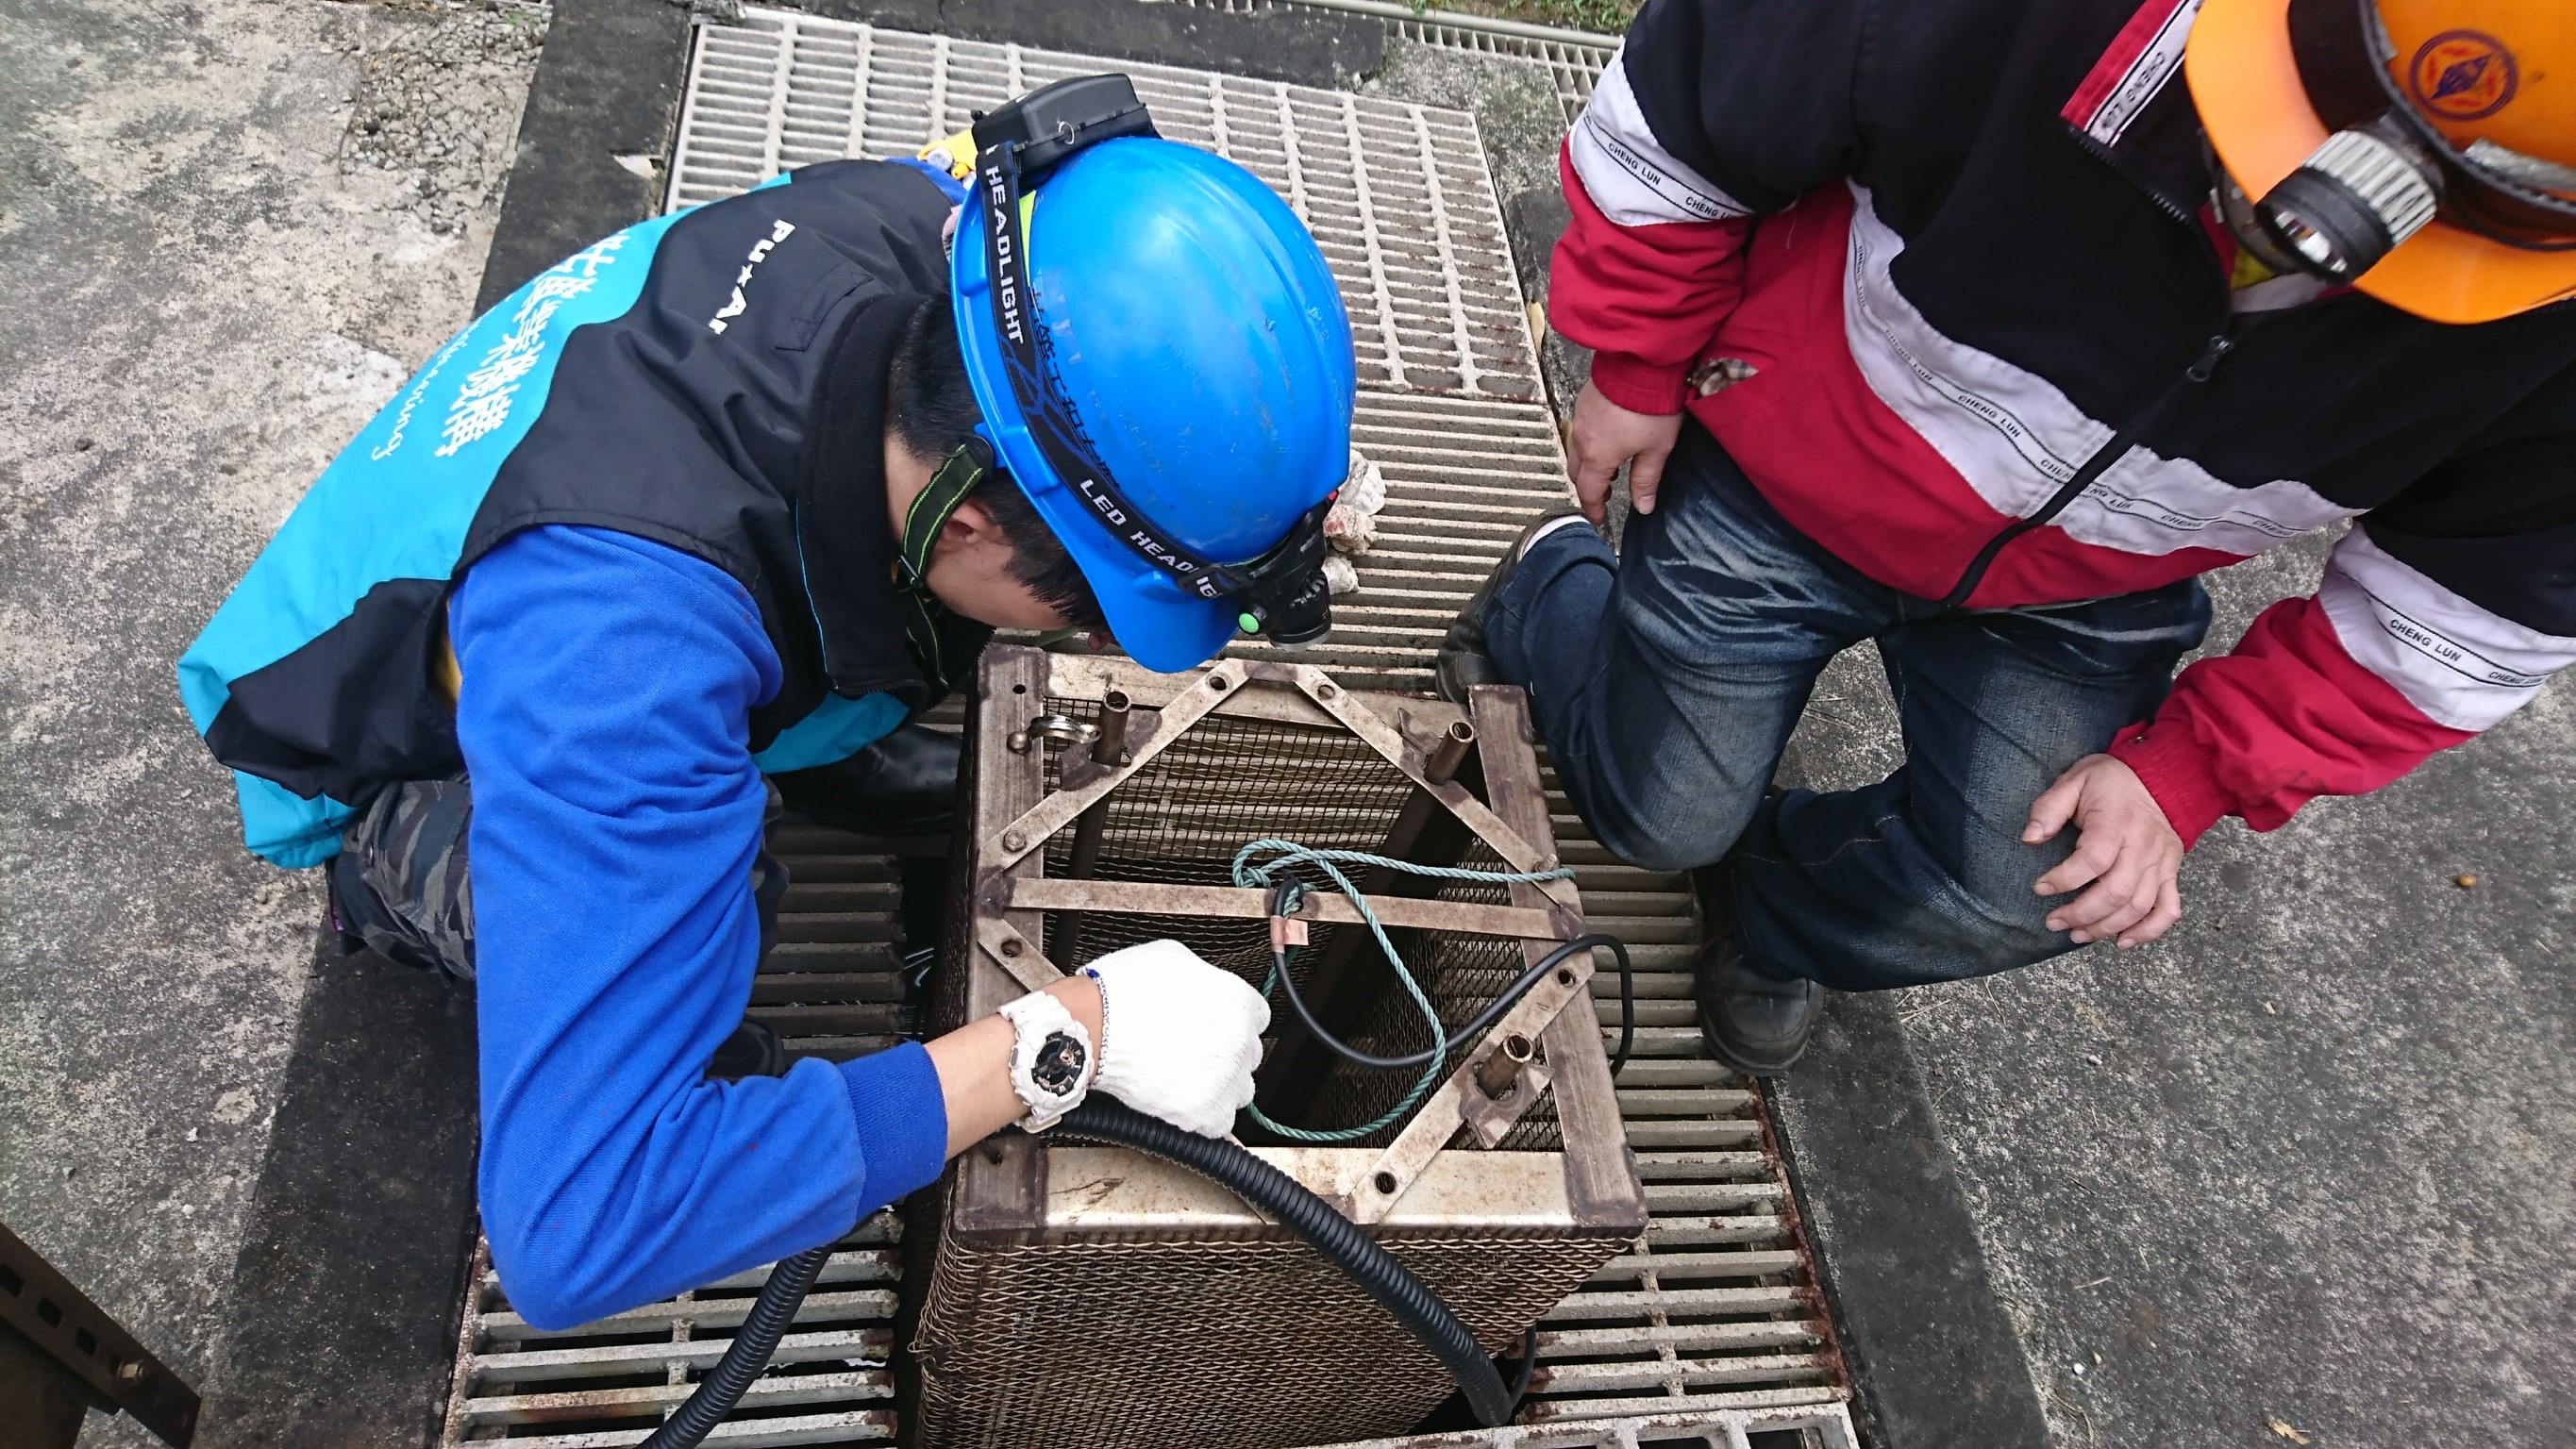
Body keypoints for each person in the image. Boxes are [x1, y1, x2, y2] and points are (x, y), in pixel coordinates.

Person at [176, 79, 1357, 1328]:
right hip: (391, 733)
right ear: (965, 516)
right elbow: (578, 1233)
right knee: (718, 915)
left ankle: (809, 751)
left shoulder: (953, 235)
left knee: (918, 630)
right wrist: (1064, 1043)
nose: (1091, 633)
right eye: (1086, 605)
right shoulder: (622, 668)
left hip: (588, 517)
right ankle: (389, 887)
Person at [1440, 0, 2576, 1075]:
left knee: (2026, 886)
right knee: (1661, 819)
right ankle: (1550, 584)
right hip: (1783, 468)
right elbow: (1693, 104)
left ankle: (1773, 913)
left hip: (2085, 587)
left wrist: (2194, 769)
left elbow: (2468, 617)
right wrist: (1638, 360)